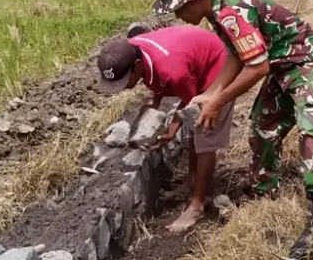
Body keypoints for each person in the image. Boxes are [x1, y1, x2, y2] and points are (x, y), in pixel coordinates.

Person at [151, 0, 313, 260]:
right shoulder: (217, 10)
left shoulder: (230, 12)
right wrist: (212, 92)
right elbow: (235, 55)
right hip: (282, 66)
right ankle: (263, 191)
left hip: (307, 62)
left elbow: (257, 67)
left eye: (177, 9)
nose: (177, 17)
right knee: (262, 126)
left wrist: (219, 100)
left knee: (309, 128)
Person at [96, 25, 233, 234]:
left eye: (125, 80)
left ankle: (198, 204)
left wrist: (171, 130)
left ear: (137, 65)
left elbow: (190, 105)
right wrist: (154, 102)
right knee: (193, 131)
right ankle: (192, 181)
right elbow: (156, 75)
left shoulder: (174, 71)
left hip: (217, 68)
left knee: (203, 131)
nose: (123, 87)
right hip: (189, 56)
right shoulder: (132, 48)